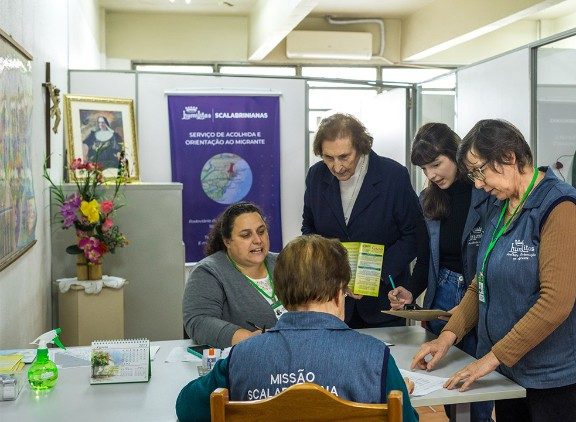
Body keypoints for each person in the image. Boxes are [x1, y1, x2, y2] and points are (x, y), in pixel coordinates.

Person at [411, 119, 576, 422]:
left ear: (509, 157)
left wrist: (489, 359)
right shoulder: (498, 204)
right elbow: (480, 282)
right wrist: (447, 336)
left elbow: (555, 304)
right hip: (510, 369)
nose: (477, 183)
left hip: (550, 373)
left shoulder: (560, 207)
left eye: (479, 171)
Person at [175, 234, 419, 422]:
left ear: (280, 293)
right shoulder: (375, 357)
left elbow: (186, 408)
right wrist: (401, 397)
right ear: (338, 294)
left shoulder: (241, 356)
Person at [388, 122, 493, 422]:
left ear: (456, 154)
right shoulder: (428, 200)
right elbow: (427, 260)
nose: (432, 174)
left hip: (478, 293)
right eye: (424, 169)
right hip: (443, 293)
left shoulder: (485, 195)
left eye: (436, 164)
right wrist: (410, 289)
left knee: (477, 391)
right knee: (446, 386)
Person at [302, 113, 424, 328]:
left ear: (361, 147)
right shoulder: (316, 176)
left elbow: (413, 235)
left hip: (383, 301)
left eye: (344, 157)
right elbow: (309, 229)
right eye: (328, 158)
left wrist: (372, 276)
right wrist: (332, 275)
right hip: (332, 301)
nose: (337, 166)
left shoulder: (392, 175)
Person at [183, 202, 283, 348]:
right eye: (246, 235)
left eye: (261, 231)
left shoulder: (285, 262)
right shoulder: (209, 272)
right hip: (247, 358)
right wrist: (248, 338)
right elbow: (199, 322)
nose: (258, 240)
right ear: (227, 241)